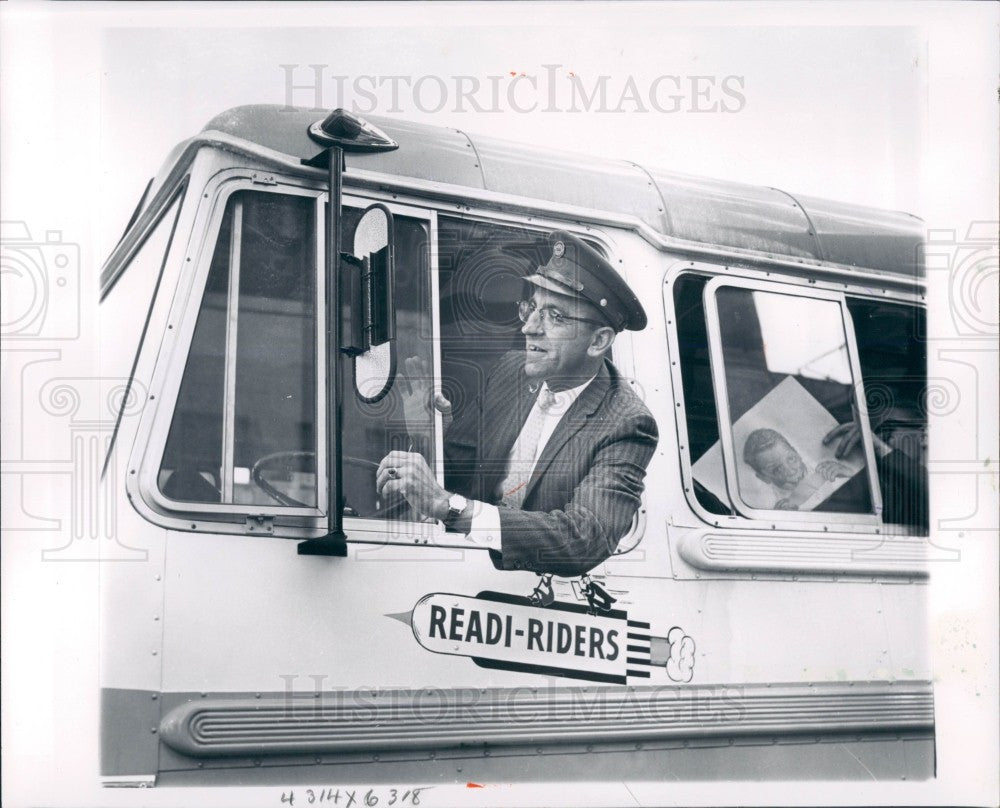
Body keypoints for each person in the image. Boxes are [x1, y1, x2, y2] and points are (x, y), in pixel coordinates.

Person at [375, 230, 658, 577]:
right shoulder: (511, 371)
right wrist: (429, 436)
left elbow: (583, 539)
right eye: (531, 308)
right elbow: (466, 477)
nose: (529, 327)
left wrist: (447, 506)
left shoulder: (627, 423)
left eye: (555, 316)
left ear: (599, 341)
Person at [742, 427, 851, 510]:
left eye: (791, 459)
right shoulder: (767, 503)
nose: (791, 471)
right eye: (777, 469)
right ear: (763, 478)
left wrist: (850, 474)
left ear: (797, 453)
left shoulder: (827, 469)